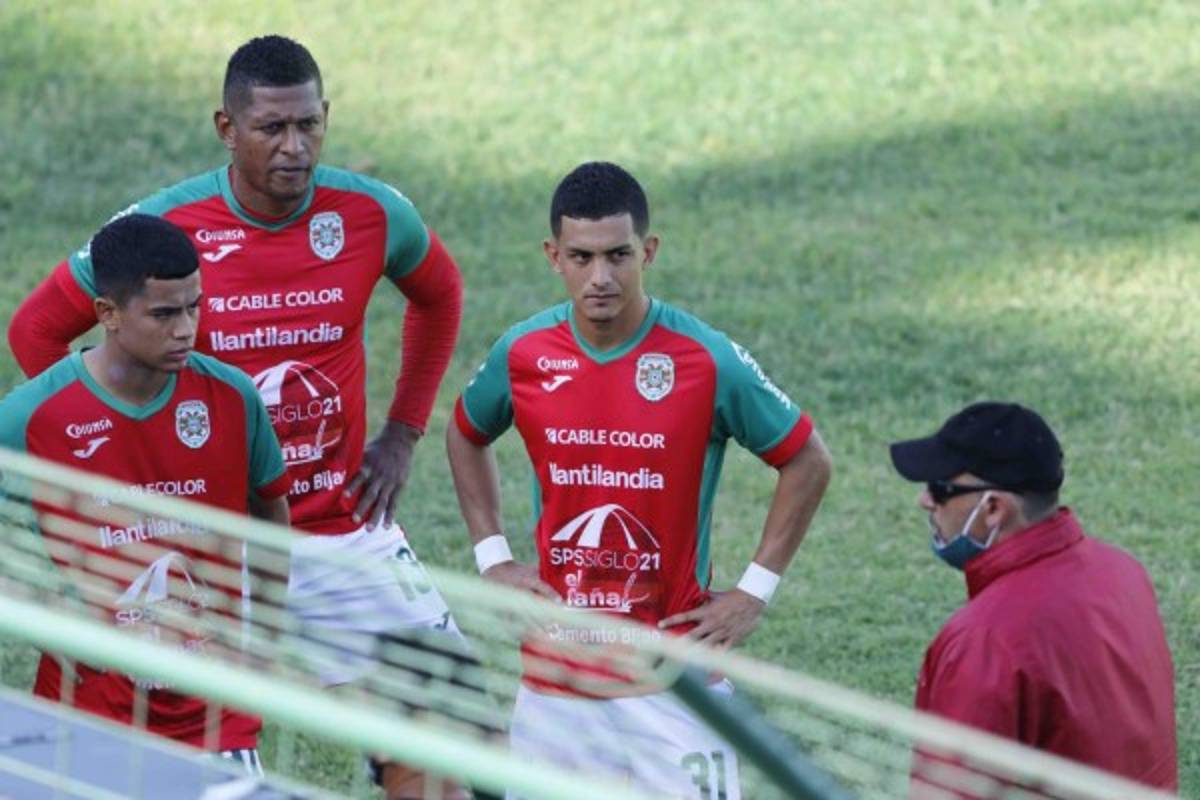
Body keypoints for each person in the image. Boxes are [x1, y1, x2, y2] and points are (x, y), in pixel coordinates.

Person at [7, 35, 469, 797]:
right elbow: (37, 331)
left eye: (309, 125)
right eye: (271, 128)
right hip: (207, 548)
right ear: (227, 128)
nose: (295, 147)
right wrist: (122, 453)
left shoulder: (371, 213)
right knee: (181, 770)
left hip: (339, 526)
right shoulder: (167, 226)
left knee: (450, 725)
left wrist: (403, 432)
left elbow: (440, 294)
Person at [445, 161, 833, 798]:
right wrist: (493, 558)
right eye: (581, 257)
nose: (600, 277)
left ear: (647, 251)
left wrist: (753, 593)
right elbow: (465, 432)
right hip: (557, 683)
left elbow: (807, 459)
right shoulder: (523, 354)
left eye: (618, 255)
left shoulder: (705, 360)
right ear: (553, 256)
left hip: (675, 684)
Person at [0, 213, 291, 773]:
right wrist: (36, 605)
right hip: (83, 714)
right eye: (164, 314)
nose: (185, 329)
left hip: (215, 713)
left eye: (193, 307)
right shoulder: (34, 415)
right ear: (107, 313)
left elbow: (271, 515)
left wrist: (266, 640)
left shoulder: (232, 397)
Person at [888, 401, 1177, 793]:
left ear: (993, 509)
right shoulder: (1124, 572)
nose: (924, 500)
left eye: (940, 490)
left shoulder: (986, 640)